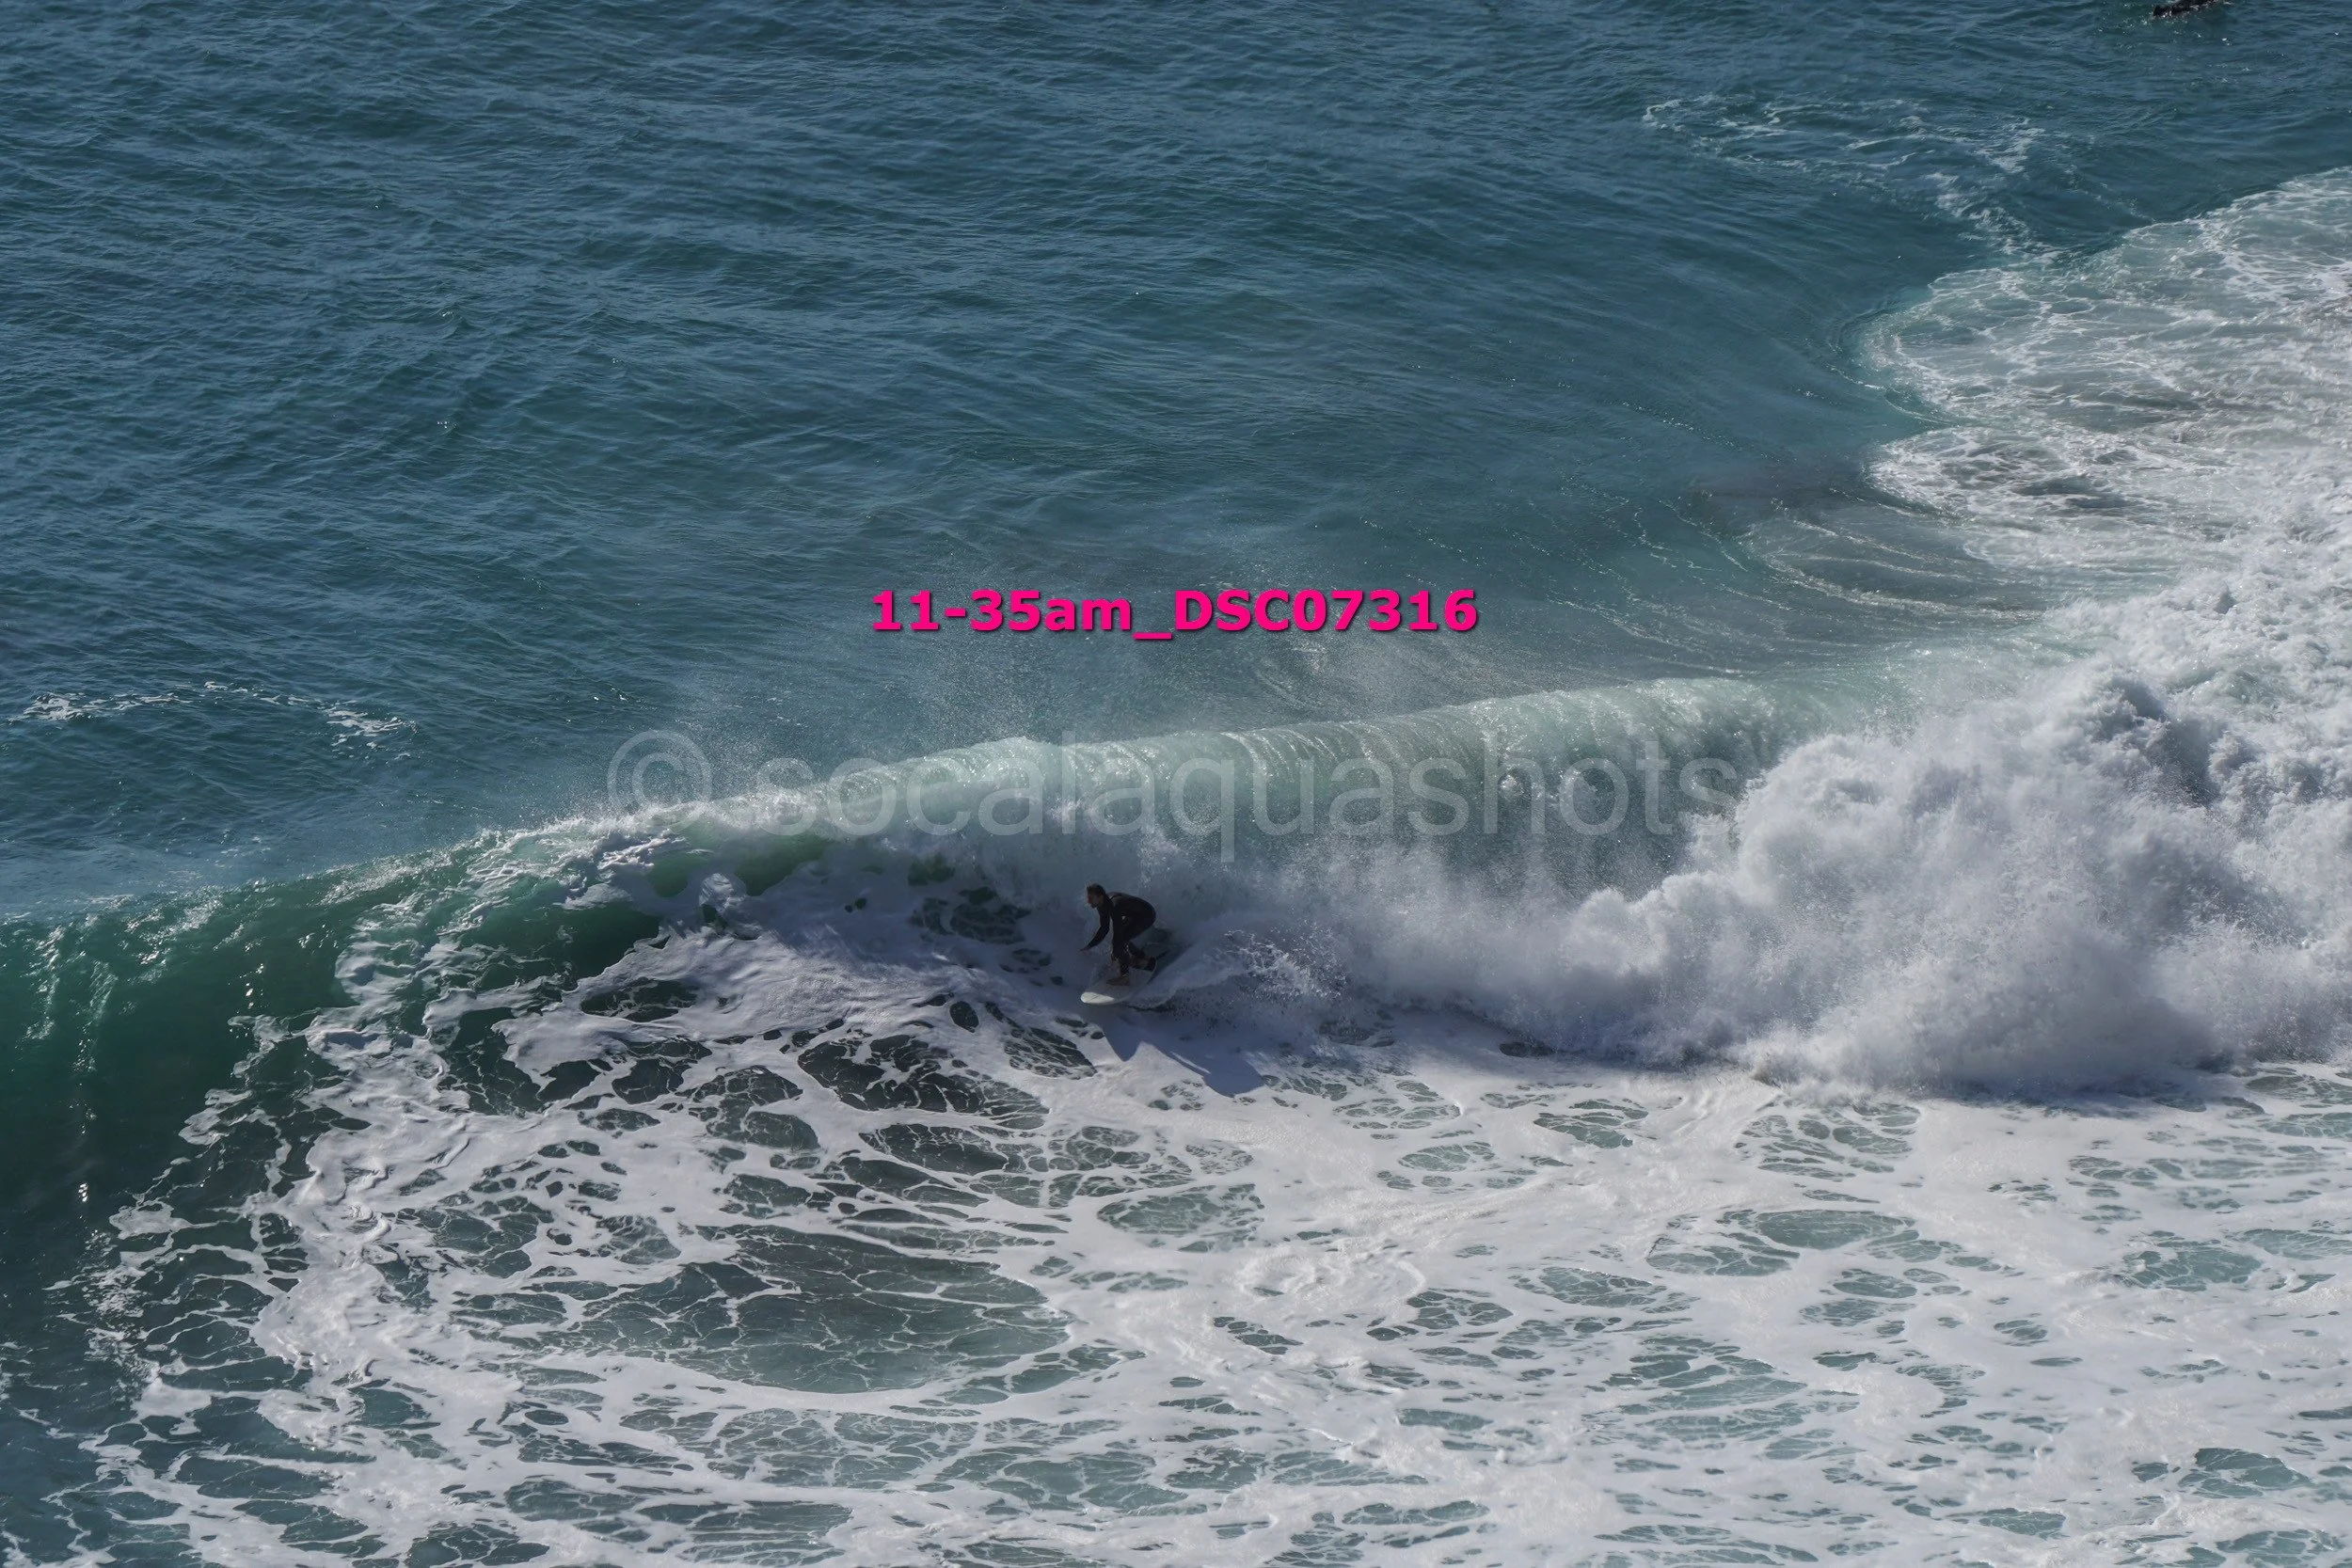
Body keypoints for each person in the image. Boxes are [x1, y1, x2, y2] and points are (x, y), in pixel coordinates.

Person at [1083, 884, 1157, 984]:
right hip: (1134, 916)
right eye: (1088, 897)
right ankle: (1142, 958)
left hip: (1146, 916)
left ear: (1100, 897)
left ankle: (1125, 977)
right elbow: (1104, 928)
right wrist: (1089, 946)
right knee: (1120, 942)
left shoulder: (1114, 906)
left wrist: (1115, 951)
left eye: (1091, 898)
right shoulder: (1101, 904)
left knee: (1120, 943)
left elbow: (1118, 933)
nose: (1088, 901)